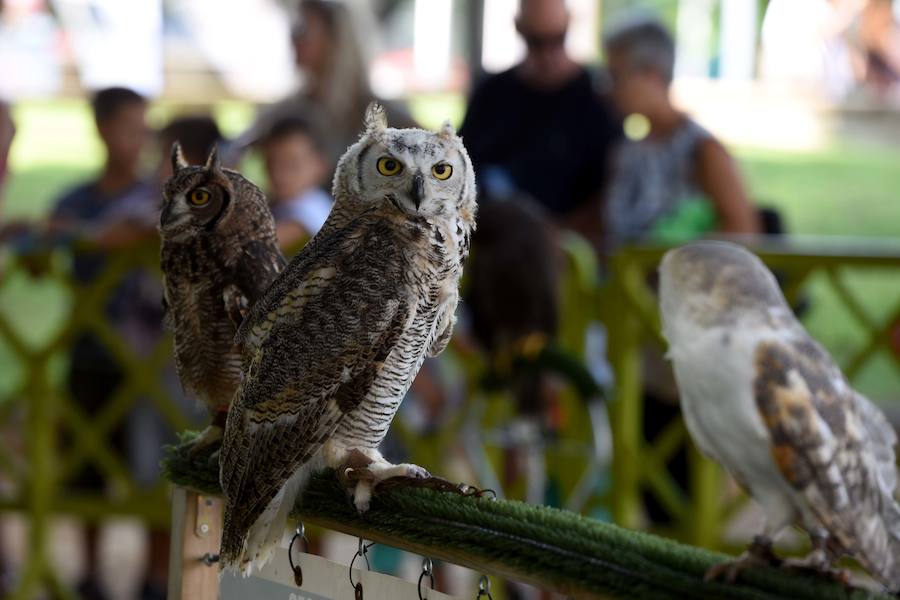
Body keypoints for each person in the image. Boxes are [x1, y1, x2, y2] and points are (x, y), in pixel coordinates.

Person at [48, 87, 164, 600]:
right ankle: (90, 575)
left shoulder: (156, 201)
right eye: (127, 127)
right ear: (101, 129)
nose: (138, 140)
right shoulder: (73, 201)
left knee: (156, 469)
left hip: (149, 359)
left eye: (144, 128)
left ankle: (155, 579)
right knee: (85, 472)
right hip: (91, 355)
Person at [458, 0, 621, 247]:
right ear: (518, 27)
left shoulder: (600, 95)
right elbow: (461, 168)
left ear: (569, 24)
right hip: (496, 245)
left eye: (557, 38)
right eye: (536, 41)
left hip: (571, 250)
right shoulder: (491, 94)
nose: (547, 53)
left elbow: (616, 185)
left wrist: (557, 233)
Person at [602, 18, 760, 250]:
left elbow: (743, 232)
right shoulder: (627, 149)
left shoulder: (701, 149)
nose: (610, 89)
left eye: (616, 76)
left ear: (652, 75)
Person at [233, 0, 415, 169]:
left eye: (303, 30)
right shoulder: (286, 113)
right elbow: (232, 155)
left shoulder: (385, 117)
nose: (294, 40)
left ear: (335, 40)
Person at [257, 115, 332, 250]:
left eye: (292, 166)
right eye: (271, 163)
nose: (279, 174)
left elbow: (258, 246)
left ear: (320, 166)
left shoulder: (311, 207)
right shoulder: (281, 202)